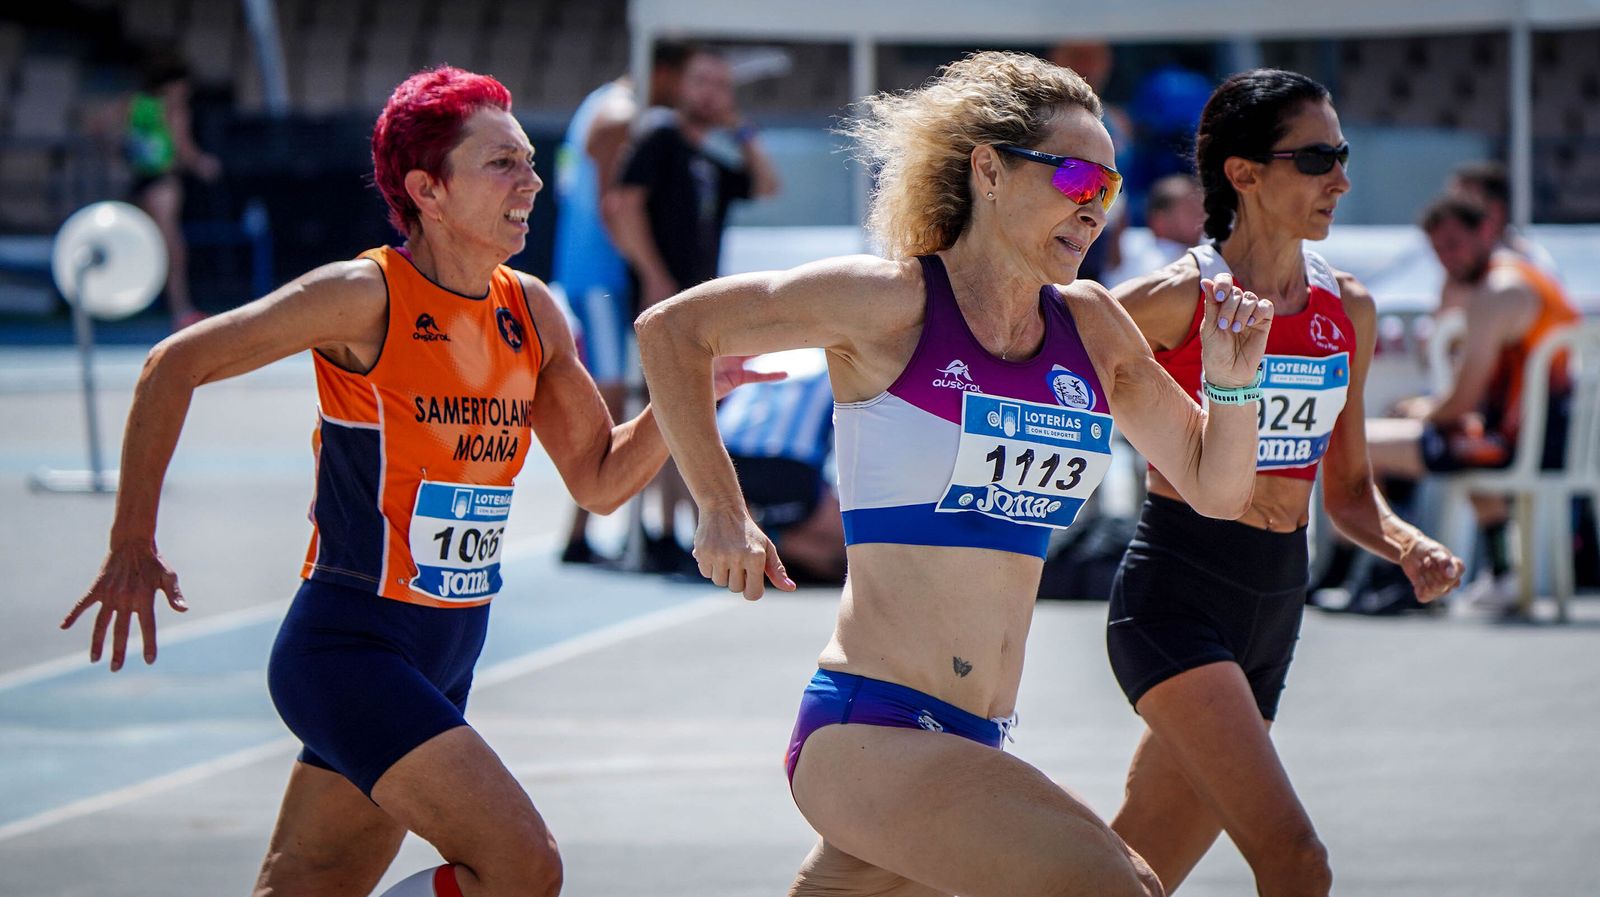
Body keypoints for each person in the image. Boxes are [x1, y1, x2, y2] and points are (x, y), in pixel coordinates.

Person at [61, 67, 773, 897]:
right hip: (350, 646)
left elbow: (600, 478)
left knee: (306, 886)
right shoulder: (364, 297)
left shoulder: (532, 311)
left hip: (446, 649)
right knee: (521, 864)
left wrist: (690, 394)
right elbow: (172, 363)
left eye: (531, 162)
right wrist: (132, 541)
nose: (532, 182)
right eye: (502, 163)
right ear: (426, 189)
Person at [637, 50, 1277, 897]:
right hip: (871, 728)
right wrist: (721, 509)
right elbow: (673, 330)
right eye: (1079, 176)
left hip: (975, 737)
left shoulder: (1089, 325)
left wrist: (1233, 376)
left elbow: (1215, 485)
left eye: (1110, 189)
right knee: (1117, 887)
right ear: (988, 171)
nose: (1094, 207)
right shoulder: (891, 301)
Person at [1105, 69, 1464, 896]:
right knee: (1297, 861)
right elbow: (1035, 356)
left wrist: (1406, 543)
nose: (1341, 177)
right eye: (1317, 157)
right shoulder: (1176, 298)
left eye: (1341, 154)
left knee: (1129, 878)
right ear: (1244, 172)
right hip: (1179, 594)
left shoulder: (1352, 309)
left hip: (1275, 604)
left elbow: (1346, 493)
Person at [610, 45, 781, 574]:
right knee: (665, 407)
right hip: (662, 300)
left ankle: (676, 531)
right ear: (680, 86)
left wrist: (741, 130)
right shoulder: (660, 137)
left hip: (696, 304)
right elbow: (621, 203)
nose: (711, 94)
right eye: (701, 82)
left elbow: (769, 186)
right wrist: (655, 276)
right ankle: (658, 532)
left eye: (721, 85)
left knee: (687, 409)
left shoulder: (709, 158)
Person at [1367, 194, 1580, 612]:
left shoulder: (1496, 293)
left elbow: (1462, 401)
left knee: (1361, 444)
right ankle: (1500, 572)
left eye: (1453, 244)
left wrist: (1421, 411)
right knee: (1426, 431)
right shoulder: (1526, 278)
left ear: (1486, 231)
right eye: (1438, 251)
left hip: (1513, 444)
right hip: (1544, 436)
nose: (1447, 258)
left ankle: (1397, 576)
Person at [717, 350, 844, 584]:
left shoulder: (763, 356)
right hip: (789, 465)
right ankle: (771, 542)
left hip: (725, 460)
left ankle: (762, 535)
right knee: (849, 554)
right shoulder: (840, 361)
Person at [124, 51, 221, 330]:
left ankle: (139, 303)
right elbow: (183, 148)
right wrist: (205, 164)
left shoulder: (135, 104)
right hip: (162, 184)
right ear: (171, 85)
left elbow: (99, 126)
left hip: (138, 181)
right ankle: (181, 310)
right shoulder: (174, 109)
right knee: (173, 249)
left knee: (144, 245)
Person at [1104, 174, 1205, 287]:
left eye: (1200, 210)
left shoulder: (1208, 248)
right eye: (1190, 211)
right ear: (1160, 220)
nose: (1201, 217)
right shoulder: (1131, 242)